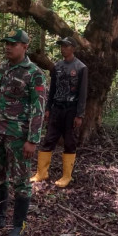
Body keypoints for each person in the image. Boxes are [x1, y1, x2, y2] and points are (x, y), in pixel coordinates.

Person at [0, 28, 47, 236]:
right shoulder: (2, 69)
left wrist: (32, 140)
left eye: (13, 44)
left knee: (21, 182)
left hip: (19, 137)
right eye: (6, 43)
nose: (8, 47)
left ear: (24, 47)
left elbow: (39, 108)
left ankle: (18, 225)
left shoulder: (34, 73)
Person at [30, 36, 88, 187]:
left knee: (69, 141)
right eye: (61, 46)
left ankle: (66, 176)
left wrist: (79, 114)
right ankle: (42, 172)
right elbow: (53, 90)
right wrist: (48, 108)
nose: (63, 48)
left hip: (71, 109)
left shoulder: (81, 68)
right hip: (57, 108)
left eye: (66, 46)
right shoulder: (57, 66)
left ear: (73, 48)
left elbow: (82, 94)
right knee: (49, 138)